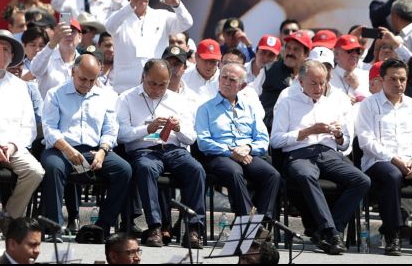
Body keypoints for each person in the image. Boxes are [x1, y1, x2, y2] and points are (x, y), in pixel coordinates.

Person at [270, 61, 370, 255]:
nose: (319, 88)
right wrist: (308, 131)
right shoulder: (287, 102)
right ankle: (331, 232)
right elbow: (275, 140)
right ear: (300, 82)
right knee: (306, 175)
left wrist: (339, 136)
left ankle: (333, 230)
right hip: (300, 154)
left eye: (322, 83)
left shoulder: (331, 103)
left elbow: (345, 144)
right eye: (313, 83)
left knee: (362, 180)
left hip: (328, 153)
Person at [41, 55, 132, 240]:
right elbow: (49, 128)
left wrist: (103, 150)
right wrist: (67, 149)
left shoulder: (106, 95)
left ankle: (102, 225)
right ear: (73, 72)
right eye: (83, 79)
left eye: (92, 80)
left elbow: (110, 129)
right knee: (52, 167)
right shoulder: (55, 93)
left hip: (94, 149)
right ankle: (54, 227)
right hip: (61, 148)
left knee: (124, 170)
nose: (87, 84)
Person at [116, 59, 206, 248]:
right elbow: (121, 135)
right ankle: (155, 226)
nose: (157, 89)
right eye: (152, 83)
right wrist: (146, 129)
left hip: (174, 150)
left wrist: (179, 128)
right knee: (145, 168)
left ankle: (193, 229)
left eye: (162, 85)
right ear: (143, 77)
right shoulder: (126, 98)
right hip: (143, 151)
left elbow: (190, 138)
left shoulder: (178, 100)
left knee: (196, 169)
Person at [356, 58, 412, 256]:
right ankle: (393, 234)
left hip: (411, 161)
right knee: (392, 175)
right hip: (378, 161)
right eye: (393, 79)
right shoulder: (369, 105)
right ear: (382, 80)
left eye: (403, 79)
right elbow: (367, 141)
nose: (399, 84)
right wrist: (395, 159)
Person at [0, 30, 44, 241]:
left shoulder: (20, 86)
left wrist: (12, 146)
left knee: (36, 171)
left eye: (6, 49)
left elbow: (29, 126)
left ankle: (9, 217)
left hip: (12, 146)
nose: (1, 53)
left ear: (12, 56)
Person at [195, 63, 280, 224]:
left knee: (272, 175)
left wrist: (247, 148)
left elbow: (263, 139)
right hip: (219, 155)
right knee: (234, 171)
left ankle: (262, 222)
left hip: (246, 154)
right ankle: (247, 220)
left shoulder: (249, 109)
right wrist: (233, 152)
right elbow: (204, 142)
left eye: (232, 80)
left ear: (242, 85)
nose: (226, 82)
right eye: (223, 78)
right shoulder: (205, 109)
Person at [105, 0, 193, 93]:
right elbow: (109, 27)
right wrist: (132, 4)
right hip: (124, 90)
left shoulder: (162, 16)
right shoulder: (120, 16)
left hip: (155, 91)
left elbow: (187, 23)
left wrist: (176, 4)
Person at [256, 30, 312, 131]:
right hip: (268, 129)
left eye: (296, 49)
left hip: (298, 131)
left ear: (306, 54)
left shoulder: (311, 75)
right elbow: (251, 95)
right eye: (288, 48)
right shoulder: (268, 70)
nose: (290, 52)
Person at [30, 19, 81, 99]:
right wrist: (52, 43)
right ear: (57, 35)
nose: (68, 35)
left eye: (72, 31)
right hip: (47, 110)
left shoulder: (83, 61)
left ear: (80, 37)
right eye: (64, 31)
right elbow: (35, 70)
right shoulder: (47, 56)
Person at [330, 35, 370, 104]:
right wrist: (342, 101)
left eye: (358, 51)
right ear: (336, 54)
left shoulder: (367, 75)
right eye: (350, 50)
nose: (355, 54)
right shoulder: (328, 77)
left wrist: (357, 88)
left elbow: (374, 103)